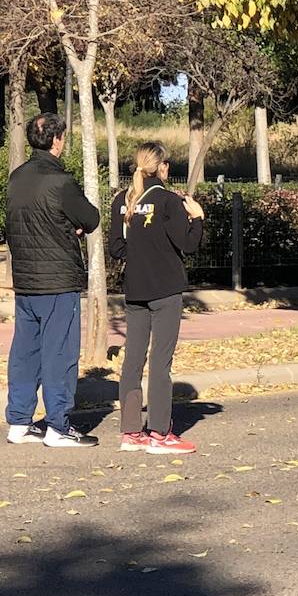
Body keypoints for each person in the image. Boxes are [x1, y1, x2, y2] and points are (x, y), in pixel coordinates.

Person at [5, 113, 101, 448]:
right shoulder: (60, 182)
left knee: (25, 350)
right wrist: (70, 227)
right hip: (57, 279)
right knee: (59, 352)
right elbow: (90, 218)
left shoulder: (16, 179)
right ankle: (58, 426)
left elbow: (22, 223)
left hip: (27, 279)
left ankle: (18, 420)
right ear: (57, 140)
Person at [108, 142, 204, 454]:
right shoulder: (167, 200)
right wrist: (198, 218)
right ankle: (160, 433)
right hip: (165, 289)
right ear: (162, 167)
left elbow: (116, 248)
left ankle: (131, 431)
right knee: (161, 362)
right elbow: (188, 244)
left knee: (133, 360)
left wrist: (138, 255)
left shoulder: (123, 200)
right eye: (167, 165)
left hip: (134, 290)